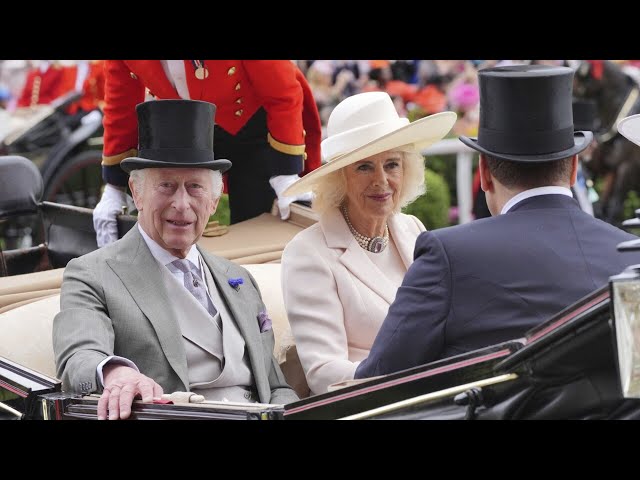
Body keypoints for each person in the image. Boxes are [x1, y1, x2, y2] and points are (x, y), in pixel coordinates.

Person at [355, 65, 640, 379]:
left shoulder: (448, 254)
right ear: (573, 168)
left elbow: (376, 381)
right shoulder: (628, 254)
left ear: (485, 173)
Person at [53, 99, 298, 420]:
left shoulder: (236, 278)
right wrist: (117, 374)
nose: (181, 204)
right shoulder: (92, 274)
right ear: (136, 192)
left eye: (194, 187)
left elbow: (275, 387)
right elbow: (79, 354)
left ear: (213, 201)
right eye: (166, 186)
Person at [280, 91, 457, 395]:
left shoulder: (412, 229)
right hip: (369, 405)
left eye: (392, 164)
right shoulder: (308, 253)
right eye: (364, 167)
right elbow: (324, 373)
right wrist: (407, 381)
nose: (381, 180)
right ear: (339, 179)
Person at [92, 60, 322, 247]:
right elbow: (121, 106)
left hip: (255, 125)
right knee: (174, 209)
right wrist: (114, 187)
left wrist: (285, 174)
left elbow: (281, 93)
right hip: (190, 122)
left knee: (256, 221)